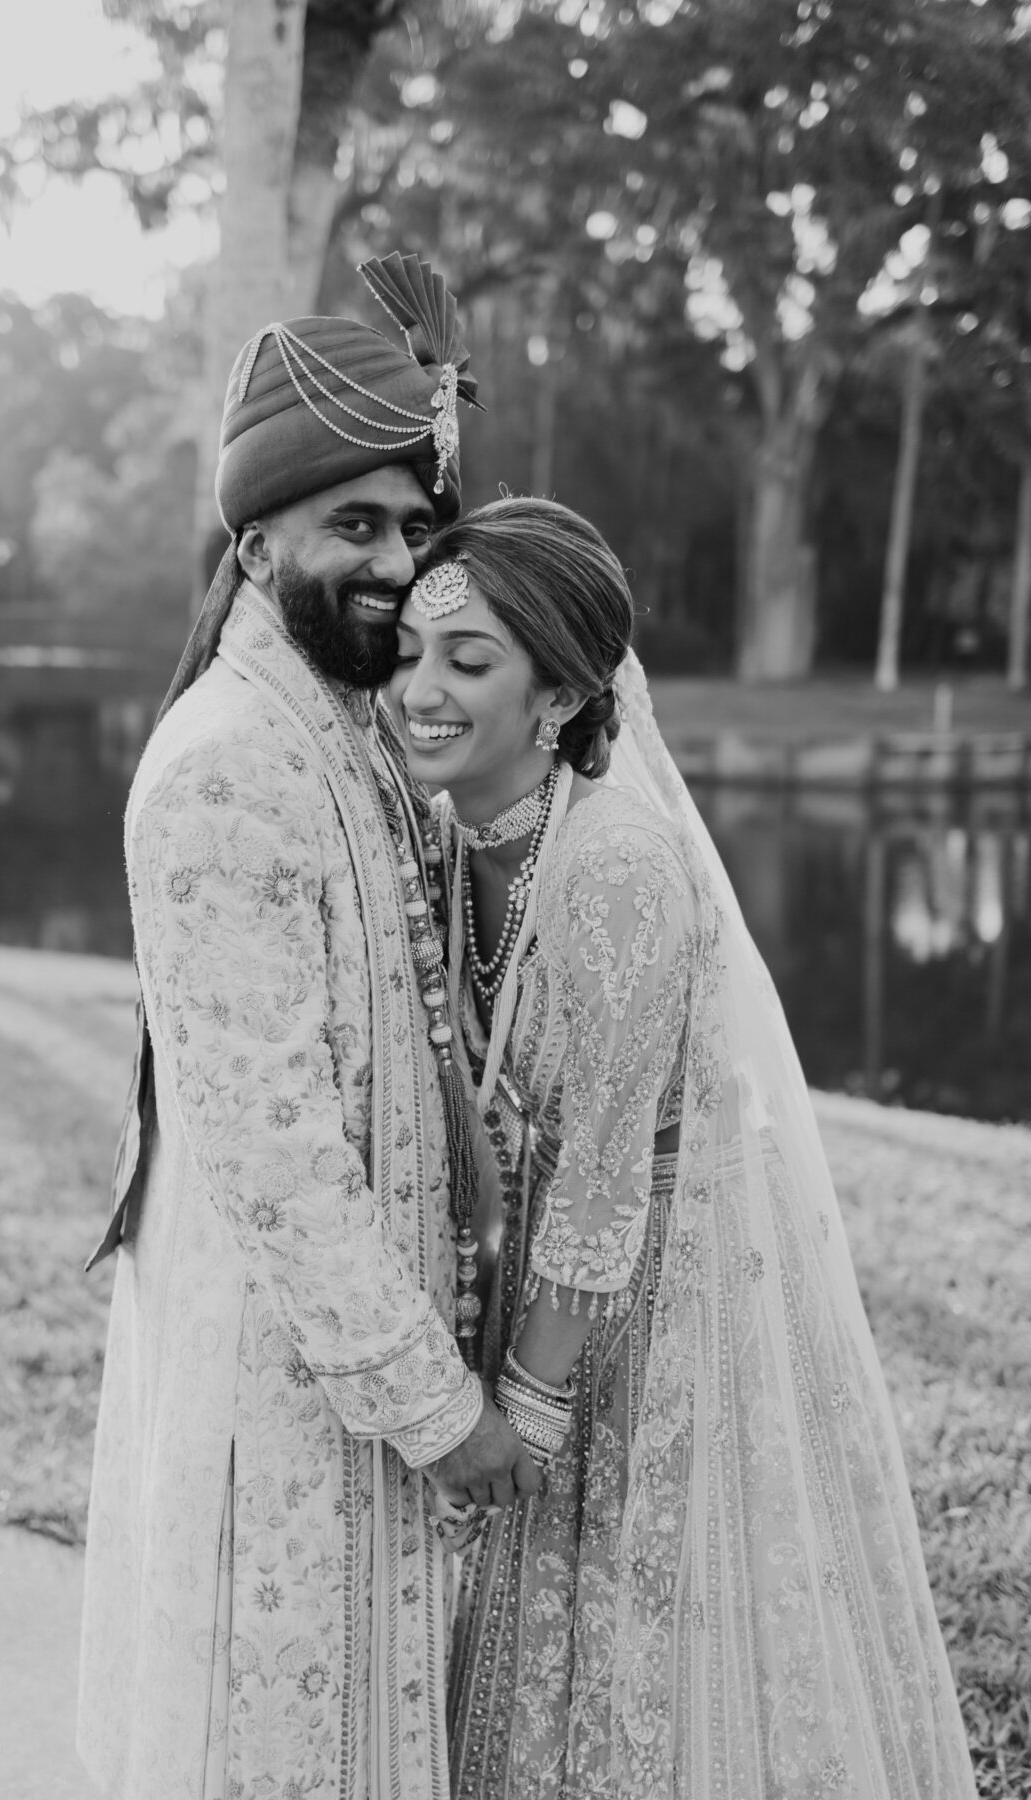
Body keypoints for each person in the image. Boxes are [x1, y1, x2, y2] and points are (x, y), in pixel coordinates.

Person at [387, 496, 980, 1800]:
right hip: (542, 1273)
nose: (419, 689)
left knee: (652, 1616)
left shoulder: (617, 869)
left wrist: (523, 1416)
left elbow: (607, 1184)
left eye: (467, 661)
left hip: (662, 1284)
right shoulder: (445, 830)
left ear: (557, 700)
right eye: (412, 649)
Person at [76, 255, 540, 1800]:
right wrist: (434, 1404)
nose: (401, 566)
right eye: (356, 526)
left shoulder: (346, 717)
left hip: (367, 1362)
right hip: (288, 1378)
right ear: (253, 533)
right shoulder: (223, 763)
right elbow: (270, 1150)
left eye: (417, 528)